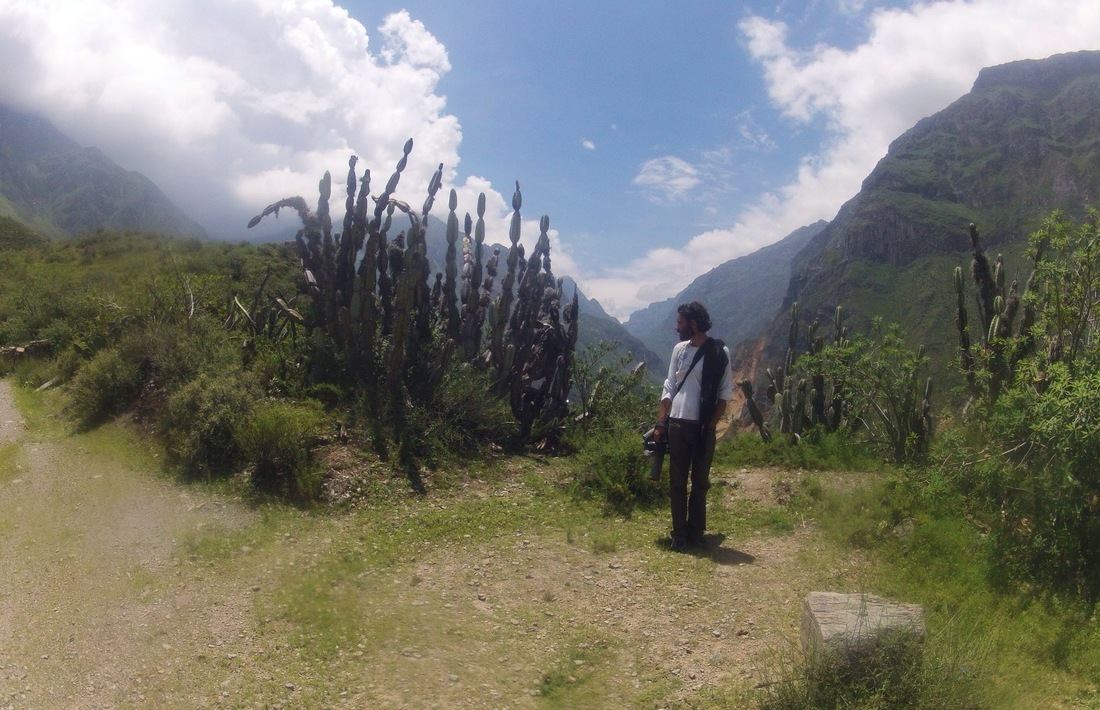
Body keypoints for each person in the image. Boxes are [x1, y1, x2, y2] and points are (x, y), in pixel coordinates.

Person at [653, 301, 732, 551]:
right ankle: (679, 533)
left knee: (700, 482)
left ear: (693, 323)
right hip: (677, 425)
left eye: (680, 323)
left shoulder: (720, 353)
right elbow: (669, 386)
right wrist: (661, 420)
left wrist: (709, 427)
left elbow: (724, 395)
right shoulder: (679, 350)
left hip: (702, 428)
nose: (677, 328)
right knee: (677, 482)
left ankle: (696, 532)